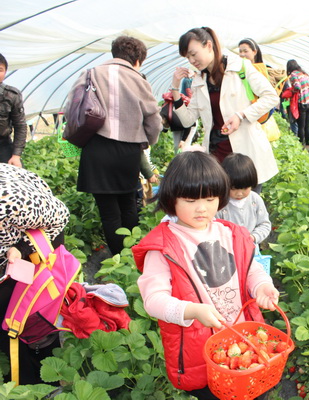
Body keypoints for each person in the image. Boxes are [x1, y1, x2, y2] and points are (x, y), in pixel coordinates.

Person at [133, 150, 279, 398]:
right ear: (171, 199)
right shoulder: (162, 247)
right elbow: (154, 300)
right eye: (190, 201)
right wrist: (191, 311)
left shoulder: (232, 233)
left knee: (254, 390)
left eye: (211, 199)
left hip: (242, 336)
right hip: (197, 348)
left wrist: (262, 285)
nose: (202, 209)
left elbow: (249, 268)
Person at [68, 35, 162, 256]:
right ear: (138, 60)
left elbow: (73, 108)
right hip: (127, 152)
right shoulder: (138, 80)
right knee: (129, 204)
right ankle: (133, 255)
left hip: (96, 149)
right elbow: (154, 120)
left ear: (114, 53)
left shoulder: (90, 73)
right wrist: (147, 141)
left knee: (109, 212)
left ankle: (117, 257)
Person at [170, 27, 279, 193]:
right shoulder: (199, 80)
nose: (192, 61)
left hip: (245, 155)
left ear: (208, 45)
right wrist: (175, 89)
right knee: (220, 210)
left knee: (246, 207)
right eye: (187, 57)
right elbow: (188, 120)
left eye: (193, 54)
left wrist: (241, 115)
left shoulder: (240, 67)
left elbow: (271, 97)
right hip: (217, 156)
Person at [0, 163, 70, 385]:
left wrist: (22, 248)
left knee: (28, 320)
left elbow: (60, 217)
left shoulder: (9, 200)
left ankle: (39, 382)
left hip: (32, 251)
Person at [216, 153, 272, 245]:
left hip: (251, 248)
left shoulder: (255, 200)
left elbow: (264, 224)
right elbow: (213, 228)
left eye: (245, 188)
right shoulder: (220, 203)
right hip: (227, 249)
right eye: (233, 189)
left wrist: (254, 237)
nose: (239, 193)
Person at [0, 53, 27, 168]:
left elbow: (20, 125)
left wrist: (16, 155)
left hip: (2, 145)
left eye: (0, 70)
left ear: (5, 72)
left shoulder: (11, 95)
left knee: (14, 180)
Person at [286, 60, 309, 149]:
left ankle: (300, 145)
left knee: (301, 125)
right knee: (307, 124)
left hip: (302, 102)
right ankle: (307, 144)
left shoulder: (294, 74)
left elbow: (297, 86)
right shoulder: (304, 74)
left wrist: (291, 91)